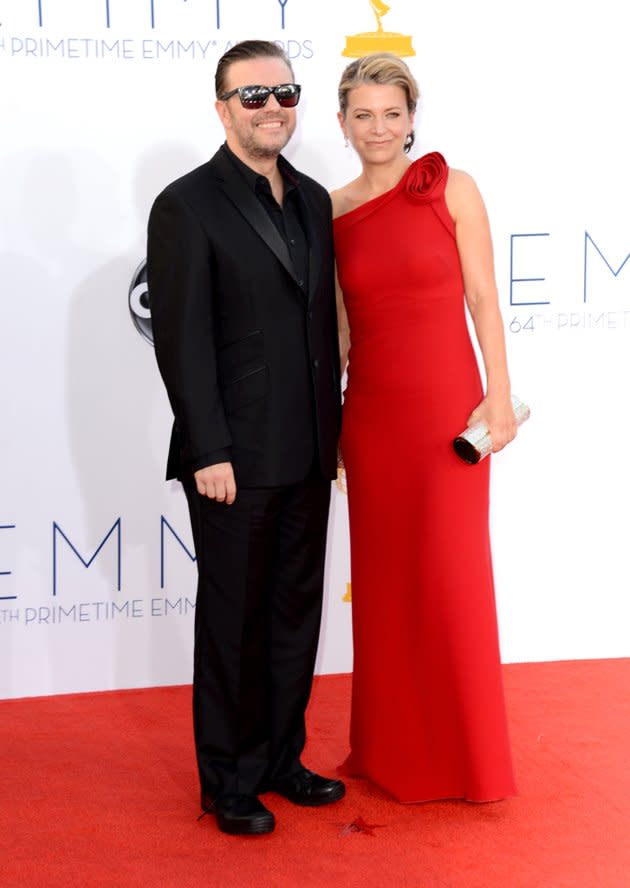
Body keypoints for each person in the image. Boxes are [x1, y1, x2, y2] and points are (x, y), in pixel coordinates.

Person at [147, 40, 344, 836]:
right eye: (253, 95)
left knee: (295, 611)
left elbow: (319, 327)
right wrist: (208, 448)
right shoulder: (186, 204)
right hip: (233, 455)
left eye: (285, 93)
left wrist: (332, 438)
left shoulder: (314, 201)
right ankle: (227, 778)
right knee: (232, 619)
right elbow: (183, 342)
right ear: (222, 106)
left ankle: (279, 760)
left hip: (306, 449)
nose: (272, 107)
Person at [331, 53, 518, 803]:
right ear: (341, 123)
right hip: (372, 419)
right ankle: (390, 753)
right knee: (385, 586)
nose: (379, 129)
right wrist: (330, 430)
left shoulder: (454, 188)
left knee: (452, 578)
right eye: (363, 115)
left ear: (413, 116)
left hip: (448, 411)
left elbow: (483, 298)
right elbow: (339, 334)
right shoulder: (332, 210)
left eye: (392, 114)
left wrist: (498, 397)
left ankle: (468, 762)